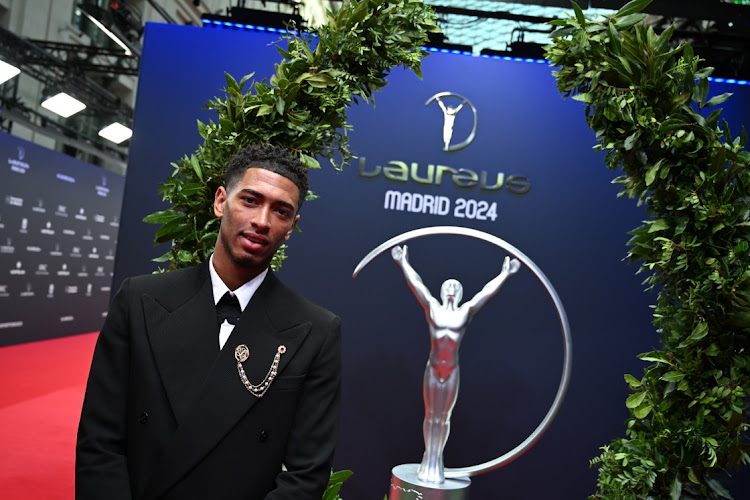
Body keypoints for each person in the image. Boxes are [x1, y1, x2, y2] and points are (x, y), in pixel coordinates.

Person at [76, 143, 342, 500]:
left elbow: (306, 475)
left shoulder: (316, 331)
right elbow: (100, 442)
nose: (262, 221)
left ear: (291, 227)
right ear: (220, 201)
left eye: (280, 211)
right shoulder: (139, 300)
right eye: (250, 200)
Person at [391, 245, 519, 483]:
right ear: (441, 291)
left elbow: (485, 293)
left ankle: (436, 459)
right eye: (447, 286)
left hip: (451, 372)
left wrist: (505, 273)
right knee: (431, 417)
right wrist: (402, 262)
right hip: (433, 370)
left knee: (443, 418)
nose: (451, 290)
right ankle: (428, 457)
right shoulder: (433, 309)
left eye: (455, 288)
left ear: (460, 294)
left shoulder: (465, 312)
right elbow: (417, 285)